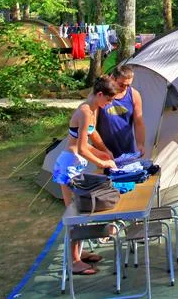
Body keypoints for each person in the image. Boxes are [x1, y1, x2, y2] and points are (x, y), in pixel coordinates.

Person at [52, 76, 119, 276]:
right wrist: (103, 163)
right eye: (108, 100)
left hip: (76, 167)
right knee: (76, 215)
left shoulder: (93, 109)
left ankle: (80, 254)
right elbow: (80, 149)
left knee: (81, 212)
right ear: (100, 95)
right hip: (67, 169)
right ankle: (73, 262)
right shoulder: (83, 111)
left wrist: (104, 152)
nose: (110, 104)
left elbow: (89, 138)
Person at [97, 65, 146, 159]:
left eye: (128, 85)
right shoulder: (100, 94)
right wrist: (102, 150)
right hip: (104, 151)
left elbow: (138, 122)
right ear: (112, 78)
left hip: (127, 150)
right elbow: (91, 126)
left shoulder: (134, 95)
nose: (124, 88)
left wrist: (140, 144)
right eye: (121, 84)